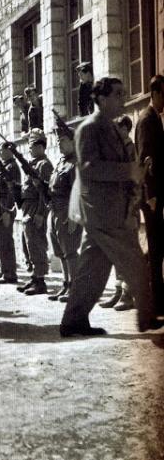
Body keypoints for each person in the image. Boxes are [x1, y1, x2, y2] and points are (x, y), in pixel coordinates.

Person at [61, 77, 164, 336]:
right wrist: (128, 171)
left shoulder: (112, 128)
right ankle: (147, 316)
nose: (123, 99)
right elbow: (89, 169)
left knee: (91, 271)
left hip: (109, 211)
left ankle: (73, 321)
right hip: (104, 213)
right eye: (118, 94)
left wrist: (136, 173)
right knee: (136, 263)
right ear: (101, 98)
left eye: (123, 93)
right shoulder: (89, 128)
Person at [99, 115, 138, 311]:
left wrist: (131, 209)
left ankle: (128, 294)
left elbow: (134, 181)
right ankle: (118, 291)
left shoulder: (130, 149)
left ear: (125, 129)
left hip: (127, 207)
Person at [135, 75, 164, 315]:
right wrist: (151, 195)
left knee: (157, 247)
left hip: (155, 193)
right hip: (151, 195)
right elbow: (146, 159)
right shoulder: (147, 120)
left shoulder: (154, 117)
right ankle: (153, 303)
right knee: (154, 249)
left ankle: (157, 300)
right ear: (154, 93)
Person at [16, 129, 53, 295]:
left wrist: (40, 213)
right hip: (27, 207)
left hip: (36, 208)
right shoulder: (33, 164)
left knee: (36, 243)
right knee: (28, 244)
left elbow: (45, 193)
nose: (29, 149)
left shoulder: (44, 165)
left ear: (40, 147)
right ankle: (34, 277)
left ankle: (40, 281)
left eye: (32, 146)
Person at [46, 127, 82, 302]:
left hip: (67, 212)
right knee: (60, 251)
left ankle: (75, 289)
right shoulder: (61, 163)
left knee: (70, 252)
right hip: (54, 211)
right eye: (58, 140)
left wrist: (74, 216)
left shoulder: (75, 164)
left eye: (63, 140)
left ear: (73, 142)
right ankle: (66, 284)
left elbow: (78, 192)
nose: (59, 143)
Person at [0, 142, 21, 284]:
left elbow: (12, 191)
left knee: (5, 240)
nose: (0, 153)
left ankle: (10, 273)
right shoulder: (4, 166)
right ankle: (4, 271)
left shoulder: (12, 167)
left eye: (2, 150)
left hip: (5, 206)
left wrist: (7, 211)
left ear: (9, 151)